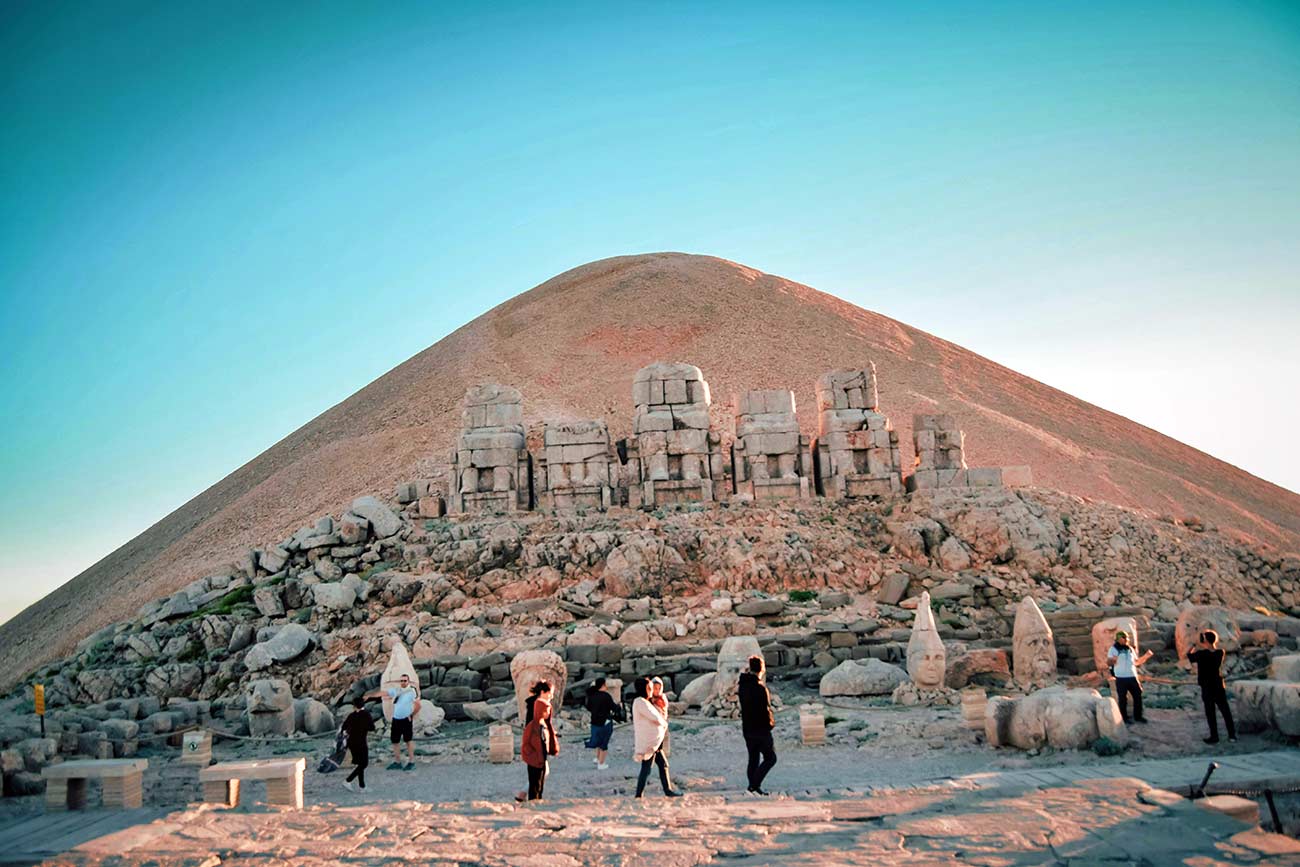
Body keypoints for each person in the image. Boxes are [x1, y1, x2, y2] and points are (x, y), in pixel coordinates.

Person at [631, 676, 680, 799]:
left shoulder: (646, 701)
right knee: (646, 768)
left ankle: (668, 790)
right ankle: (639, 795)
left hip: (655, 741)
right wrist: (664, 724)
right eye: (650, 688)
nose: (652, 690)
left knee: (663, 764)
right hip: (649, 741)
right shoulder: (640, 702)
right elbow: (655, 717)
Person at [1187, 629, 1237, 744]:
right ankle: (1232, 735)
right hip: (1218, 685)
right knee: (1225, 711)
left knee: (1210, 712)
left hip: (1207, 686)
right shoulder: (1220, 652)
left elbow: (1189, 656)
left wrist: (1194, 644)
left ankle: (1214, 736)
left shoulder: (1201, 654)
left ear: (1205, 640)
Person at [738, 655, 777, 795]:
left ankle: (752, 786)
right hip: (761, 729)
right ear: (762, 669)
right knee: (771, 758)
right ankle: (755, 784)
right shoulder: (760, 688)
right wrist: (770, 724)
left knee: (753, 758)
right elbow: (765, 709)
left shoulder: (742, 685)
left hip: (748, 727)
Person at [366, 673, 421, 770]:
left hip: (406, 719)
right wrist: (370, 696)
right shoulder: (397, 691)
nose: (403, 682)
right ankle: (397, 761)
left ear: (408, 681)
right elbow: (384, 693)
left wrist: (411, 715)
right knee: (395, 741)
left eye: (405, 680)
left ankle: (411, 761)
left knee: (408, 740)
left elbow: (418, 705)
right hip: (396, 719)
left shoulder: (412, 691)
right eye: (401, 680)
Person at [519, 680, 559, 801]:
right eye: (550, 693)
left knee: (539, 774)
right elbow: (534, 727)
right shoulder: (537, 706)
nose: (551, 696)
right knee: (537, 775)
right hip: (536, 745)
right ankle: (527, 796)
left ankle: (524, 794)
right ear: (543, 692)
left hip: (536, 744)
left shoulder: (536, 705)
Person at [1106, 631, 1153, 725]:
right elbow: (1108, 663)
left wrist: (1146, 657)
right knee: (1123, 698)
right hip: (1121, 677)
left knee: (1138, 696)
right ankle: (1124, 718)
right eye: (1124, 638)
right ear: (1118, 639)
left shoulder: (1130, 649)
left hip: (1132, 676)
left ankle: (1138, 716)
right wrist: (1113, 660)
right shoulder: (1113, 649)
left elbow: (1136, 662)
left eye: (1127, 638)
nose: (1126, 640)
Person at [585, 678, 624, 770]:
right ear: (603, 685)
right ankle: (601, 763)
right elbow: (614, 708)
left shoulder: (592, 696)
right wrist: (619, 707)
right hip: (605, 721)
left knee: (598, 740)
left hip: (594, 721)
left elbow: (588, 707)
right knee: (604, 743)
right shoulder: (606, 696)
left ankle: (598, 758)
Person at [341, 695, 375, 791]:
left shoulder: (351, 715)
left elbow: (344, 727)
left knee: (360, 764)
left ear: (354, 706)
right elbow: (372, 727)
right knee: (364, 764)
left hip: (351, 742)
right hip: (361, 742)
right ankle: (348, 780)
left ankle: (362, 786)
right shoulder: (366, 714)